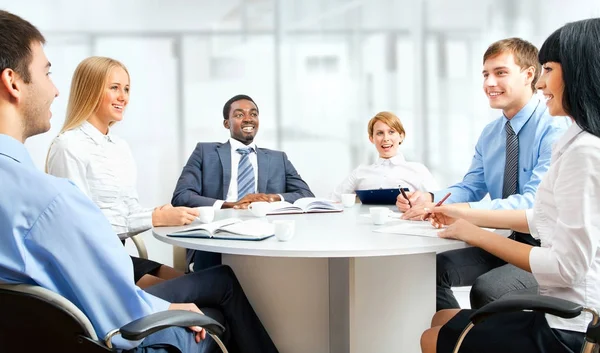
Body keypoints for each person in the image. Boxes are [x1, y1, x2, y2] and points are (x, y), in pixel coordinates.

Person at [0, 10, 278, 352]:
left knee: (215, 292)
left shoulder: (113, 151)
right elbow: (108, 296)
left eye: (127, 89)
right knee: (213, 308)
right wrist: (168, 307)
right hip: (106, 307)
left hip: (100, 282)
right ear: (13, 82)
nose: (55, 90)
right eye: (47, 72)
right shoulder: (54, 191)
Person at [421, 18, 600, 353]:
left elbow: (564, 265)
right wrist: (451, 209)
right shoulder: (573, 140)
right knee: (441, 318)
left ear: (577, 71)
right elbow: (541, 217)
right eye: (485, 74)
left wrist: (473, 229)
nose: (543, 81)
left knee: (433, 336)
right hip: (556, 291)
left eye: (547, 69)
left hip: (572, 324)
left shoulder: (576, 145)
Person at [397, 37, 570, 311]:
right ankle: (454, 337)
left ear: (528, 74)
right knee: (430, 270)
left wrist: (461, 212)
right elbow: (472, 185)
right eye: (486, 74)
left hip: (549, 250)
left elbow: (531, 205)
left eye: (500, 73)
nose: (489, 83)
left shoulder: (555, 129)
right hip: (511, 239)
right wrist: (430, 198)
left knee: (488, 290)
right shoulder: (491, 134)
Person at [46, 56, 198, 289]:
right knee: (214, 288)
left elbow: (129, 209)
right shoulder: (68, 146)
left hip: (119, 257)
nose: (123, 97)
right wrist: (154, 218)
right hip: (92, 267)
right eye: (114, 88)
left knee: (207, 282)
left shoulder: (119, 147)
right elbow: (80, 225)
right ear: (91, 90)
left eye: (126, 89)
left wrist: (160, 213)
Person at [172, 94, 314, 271]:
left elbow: (306, 195)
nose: (248, 119)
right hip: (217, 240)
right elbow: (181, 196)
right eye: (239, 115)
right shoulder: (204, 152)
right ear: (226, 123)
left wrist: (270, 198)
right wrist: (231, 205)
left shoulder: (278, 159)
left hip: (268, 238)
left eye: (253, 114)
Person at [330, 111, 438, 202]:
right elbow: (332, 199)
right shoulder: (360, 172)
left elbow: (438, 200)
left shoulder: (417, 170)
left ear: (401, 136)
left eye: (391, 132)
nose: (386, 138)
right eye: (380, 133)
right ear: (371, 138)